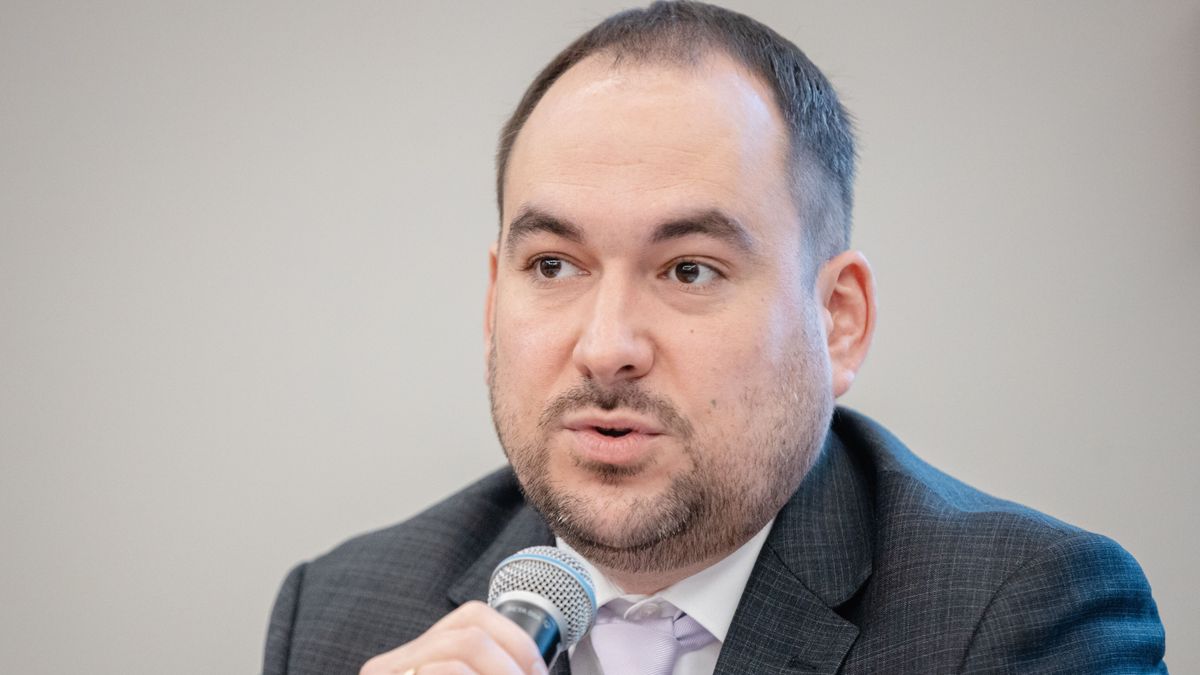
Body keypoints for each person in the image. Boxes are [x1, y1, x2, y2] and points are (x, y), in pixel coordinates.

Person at [262, 2, 1167, 673]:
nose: (606, 346)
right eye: (554, 265)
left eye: (689, 270)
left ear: (838, 320)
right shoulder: (339, 617)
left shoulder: (1023, 617)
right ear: (495, 297)